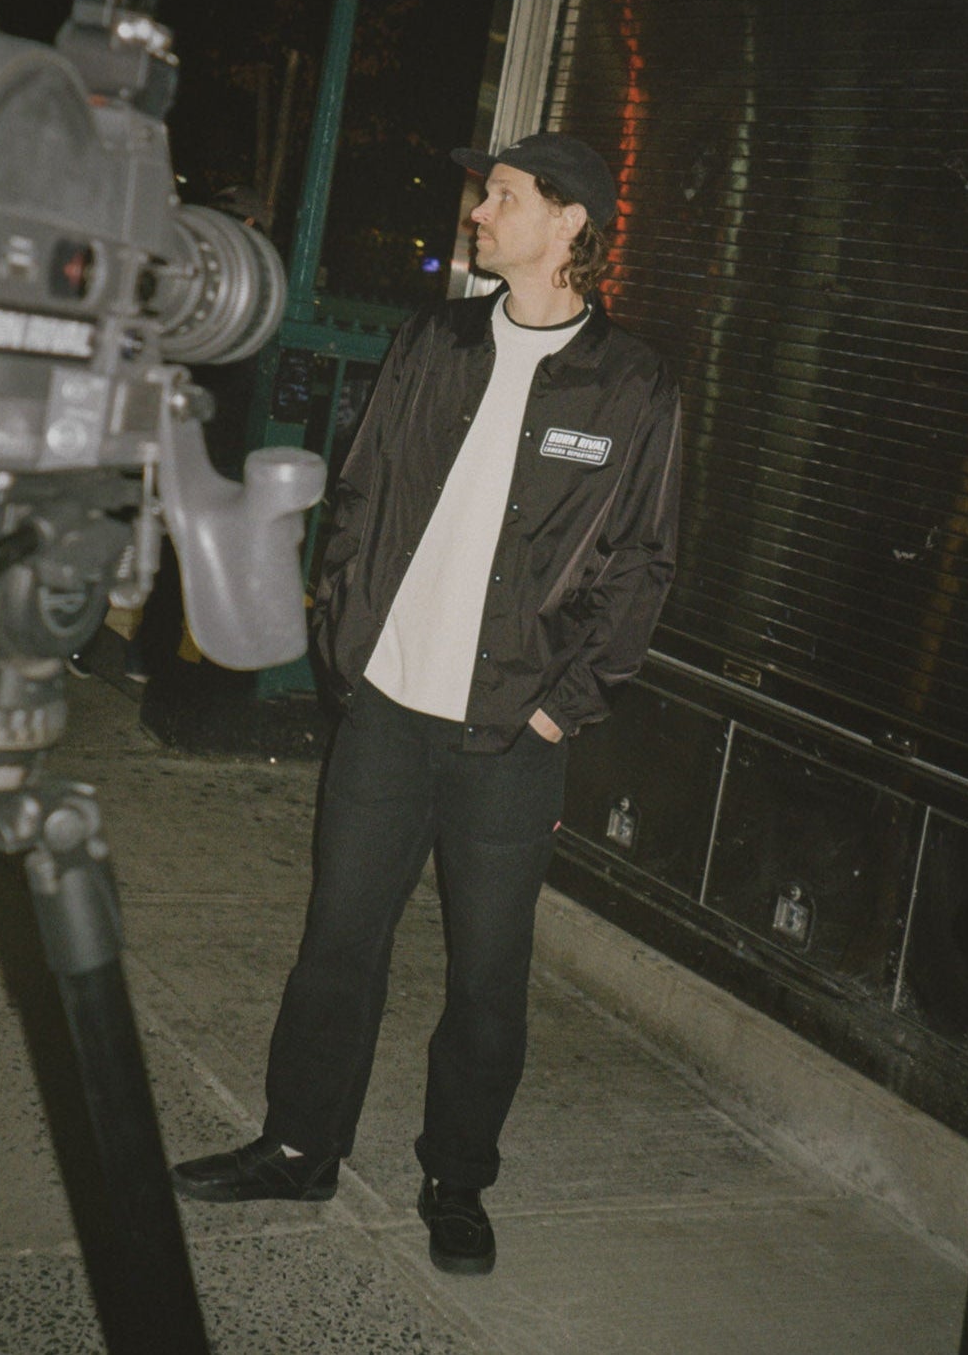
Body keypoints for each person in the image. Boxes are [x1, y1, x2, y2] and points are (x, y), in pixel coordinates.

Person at [171, 132, 681, 1276]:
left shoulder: (633, 382)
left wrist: (563, 707)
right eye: (483, 194)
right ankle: (299, 1143)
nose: (478, 213)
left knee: (486, 975)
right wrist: (346, 640)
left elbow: (645, 564)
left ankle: (456, 1179)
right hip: (390, 705)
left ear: (570, 225)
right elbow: (357, 491)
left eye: (503, 196)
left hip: (511, 732)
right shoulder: (435, 340)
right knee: (337, 942)